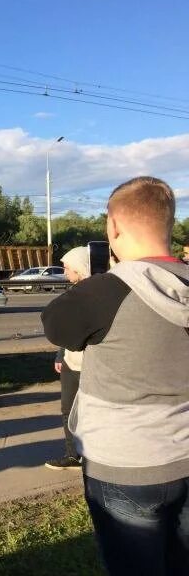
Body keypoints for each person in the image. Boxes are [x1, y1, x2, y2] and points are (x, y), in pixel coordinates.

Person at [42, 176, 189, 575]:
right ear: (169, 223)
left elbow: (56, 326)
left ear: (113, 227)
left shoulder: (103, 292)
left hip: (125, 467)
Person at [44, 245, 91, 471]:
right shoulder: (73, 293)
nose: (64, 273)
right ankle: (73, 455)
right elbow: (66, 329)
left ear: (80, 268)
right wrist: (60, 354)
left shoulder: (96, 294)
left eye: (67, 268)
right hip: (72, 362)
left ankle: (93, 457)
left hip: (93, 364)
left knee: (93, 411)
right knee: (68, 410)